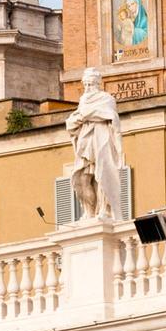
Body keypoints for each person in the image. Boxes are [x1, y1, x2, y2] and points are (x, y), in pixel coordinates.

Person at [65, 69, 124, 220]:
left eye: (90, 84)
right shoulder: (83, 100)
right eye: (85, 84)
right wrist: (83, 115)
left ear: (98, 83)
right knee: (83, 177)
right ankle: (90, 212)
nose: (88, 88)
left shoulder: (107, 98)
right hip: (86, 141)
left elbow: (109, 115)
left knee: (102, 175)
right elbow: (73, 122)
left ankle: (105, 209)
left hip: (102, 138)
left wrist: (84, 115)